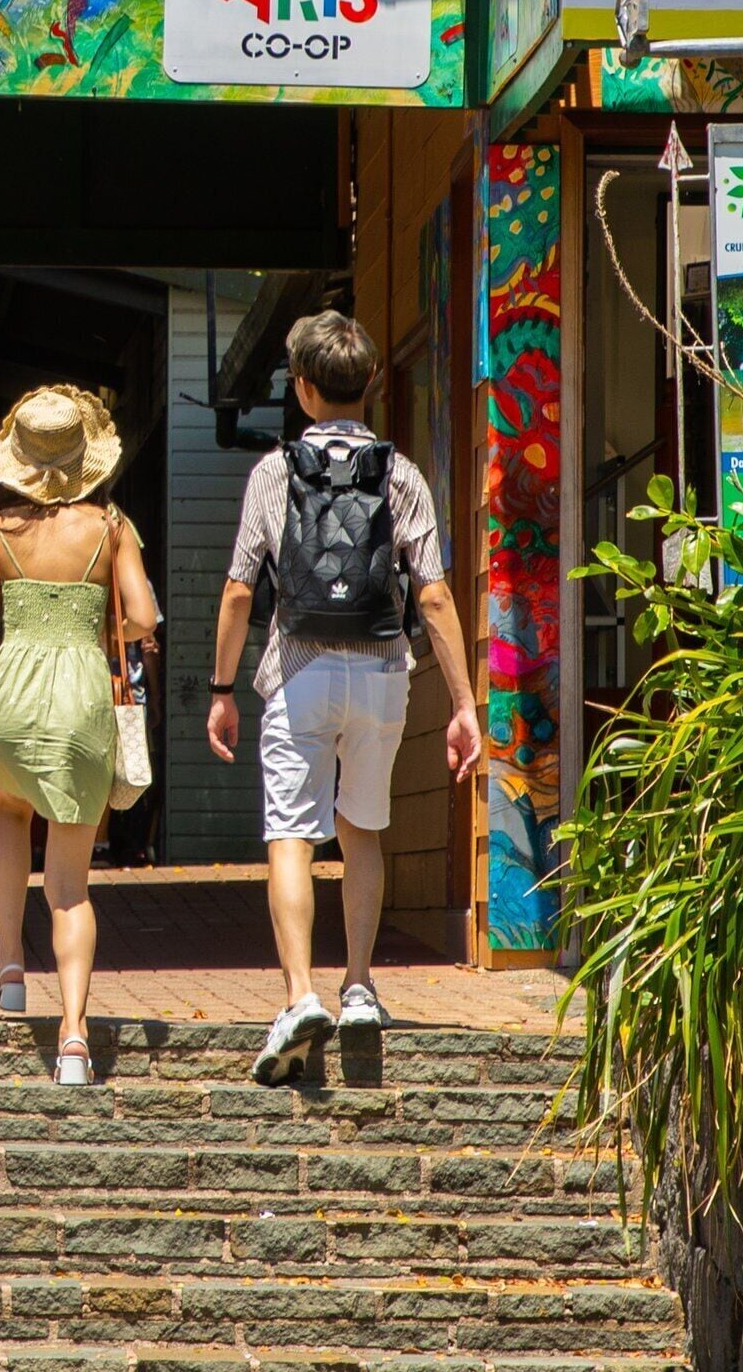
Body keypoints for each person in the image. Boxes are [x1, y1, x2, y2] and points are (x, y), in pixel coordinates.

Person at [206, 310, 479, 1086]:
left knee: (292, 834)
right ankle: (359, 984)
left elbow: (236, 591)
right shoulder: (402, 475)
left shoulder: (272, 472)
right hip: (382, 671)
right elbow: (431, 596)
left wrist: (222, 688)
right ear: (373, 385)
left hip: (298, 670)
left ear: (300, 387)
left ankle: (299, 995)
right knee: (362, 826)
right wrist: (463, 704)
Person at [0, 387, 154, 1085]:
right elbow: (143, 618)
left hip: (5, 708)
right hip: (81, 705)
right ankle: (77, 1039)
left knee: (7, 808)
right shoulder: (111, 526)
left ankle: (9, 963)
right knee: (70, 889)